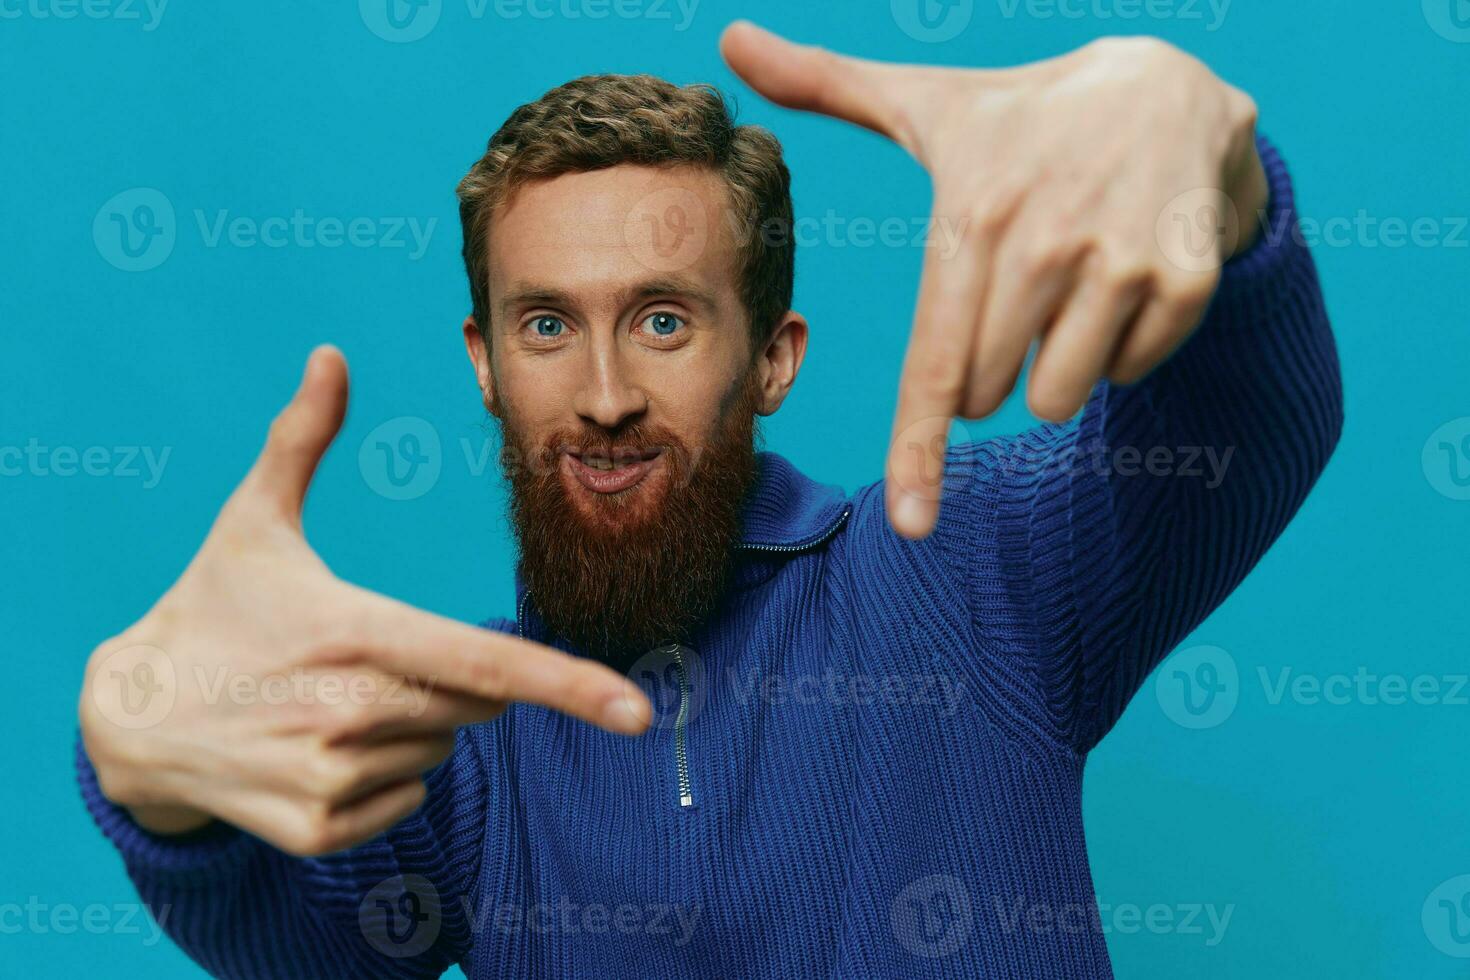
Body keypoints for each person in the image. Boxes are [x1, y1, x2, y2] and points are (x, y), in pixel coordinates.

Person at [75, 21, 1343, 979]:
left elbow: (1247, 420)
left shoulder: (976, 575)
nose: (607, 391)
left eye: (665, 318)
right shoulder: (463, 750)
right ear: (484, 363)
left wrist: (1210, 172)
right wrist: (147, 766)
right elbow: (293, 931)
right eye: (548, 324)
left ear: (775, 356)